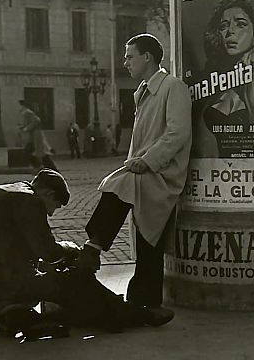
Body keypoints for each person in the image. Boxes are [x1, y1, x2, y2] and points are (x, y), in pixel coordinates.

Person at [0, 169, 168, 335]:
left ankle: (114, 313)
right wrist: (69, 250)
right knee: (77, 281)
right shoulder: (29, 201)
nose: (50, 213)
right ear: (48, 194)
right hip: (3, 282)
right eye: (55, 206)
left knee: (68, 281)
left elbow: (21, 249)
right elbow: (48, 252)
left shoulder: (6, 191)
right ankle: (129, 313)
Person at [77, 34, 192, 325]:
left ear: (148, 57)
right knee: (147, 239)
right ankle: (146, 301)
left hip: (161, 174)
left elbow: (177, 133)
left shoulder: (172, 87)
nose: (125, 62)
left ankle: (94, 246)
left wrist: (147, 161)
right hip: (145, 172)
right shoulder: (141, 91)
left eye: (130, 56)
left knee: (119, 185)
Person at [194, 0, 254, 157]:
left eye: (241, 24)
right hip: (222, 176)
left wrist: (251, 97)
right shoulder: (217, 81)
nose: (230, 31)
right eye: (223, 26)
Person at [19, 100, 58, 171]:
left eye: (19, 106)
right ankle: (50, 169)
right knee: (40, 154)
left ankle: (40, 167)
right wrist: (23, 127)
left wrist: (26, 128)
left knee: (30, 152)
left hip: (35, 137)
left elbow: (37, 121)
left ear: (22, 106)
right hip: (33, 137)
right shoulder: (26, 113)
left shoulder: (27, 112)